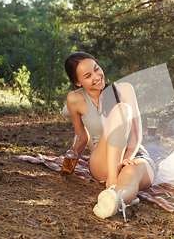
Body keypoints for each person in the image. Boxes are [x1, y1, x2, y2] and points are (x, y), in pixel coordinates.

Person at [64, 52, 155, 220]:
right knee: (122, 109)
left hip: (134, 154)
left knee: (132, 172)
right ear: (78, 82)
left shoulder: (124, 89)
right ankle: (112, 181)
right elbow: (82, 137)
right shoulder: (75, 99)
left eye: (97, 69)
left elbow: (136, 133)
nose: (97, 76)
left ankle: (115, 200)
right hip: (102, 160)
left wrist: (126, 159)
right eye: (88, 75)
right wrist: (68, 166)